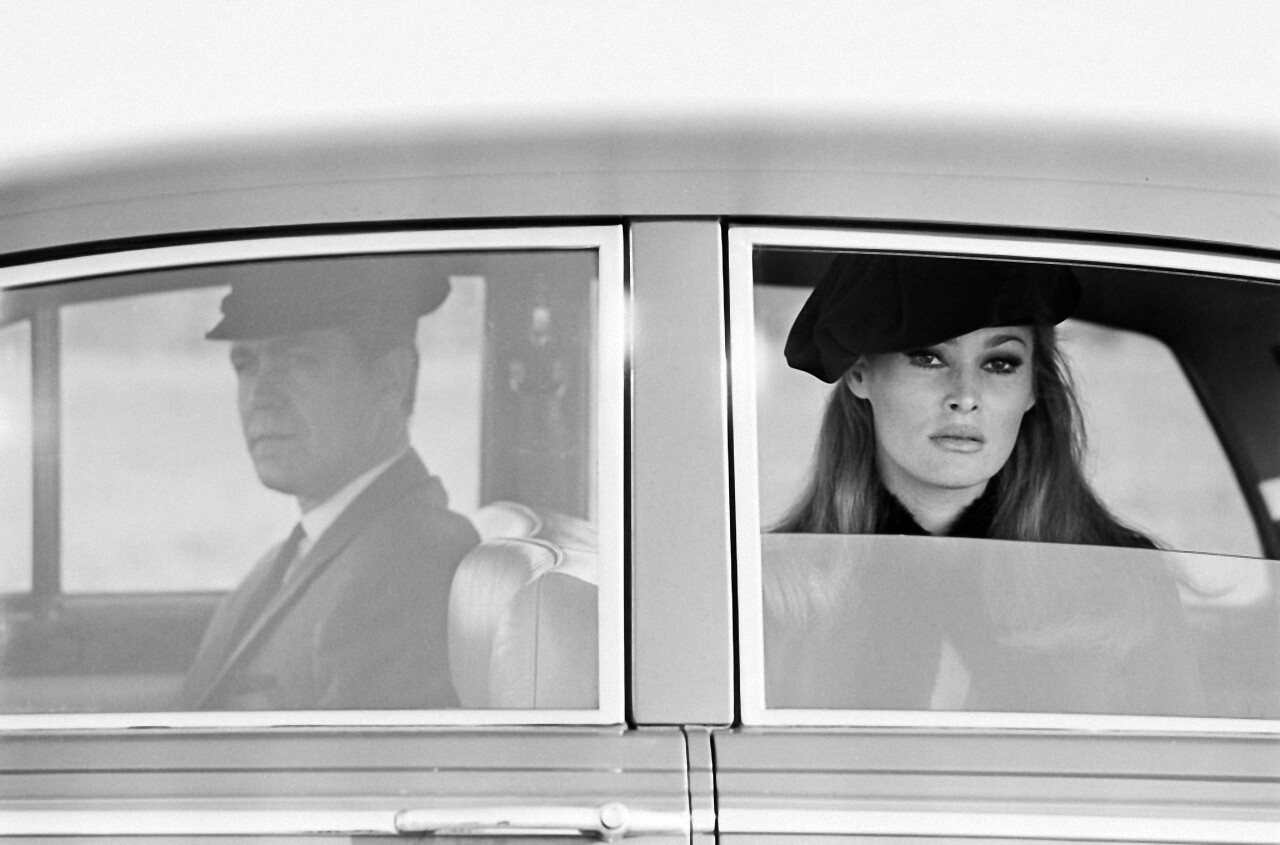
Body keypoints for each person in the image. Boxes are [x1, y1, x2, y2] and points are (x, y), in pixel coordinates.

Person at [766, 254, 1204, 714]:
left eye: (999, 363)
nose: (965, 397)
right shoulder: (771, 593)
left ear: (1032, 388)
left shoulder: (1124, 581)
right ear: (860, 372)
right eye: (928, 357)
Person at [178, 257, 479, 710]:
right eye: (246, 363)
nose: (261, 396)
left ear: (391, 380)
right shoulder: (307, 551)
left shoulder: (406, 566)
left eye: (299, 360)